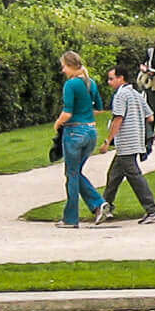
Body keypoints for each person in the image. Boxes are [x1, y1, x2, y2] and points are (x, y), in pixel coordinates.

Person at [53, 51, 110, 228]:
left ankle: (71, 218)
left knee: (71, 174)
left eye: (64, 66)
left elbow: (67, 112)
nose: (63, 70)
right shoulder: (90, 83)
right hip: (91, 131)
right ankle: (97, 204)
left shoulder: (71, 85)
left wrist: (57, 123)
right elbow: (99, 108)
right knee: (76, 172)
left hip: (74, 131)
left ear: (70, 66)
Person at [101, 63, 155, 223]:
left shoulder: (121, 96)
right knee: (114, 175)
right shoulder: (135, 94)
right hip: (135, 140)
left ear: (121, 78)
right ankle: (105, 206)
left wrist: (108, 140)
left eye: (111, 79)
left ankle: (152, 209)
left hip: (126, 142)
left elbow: (118, 119)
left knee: (134, 176)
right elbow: (149, 116)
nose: (109, 82)